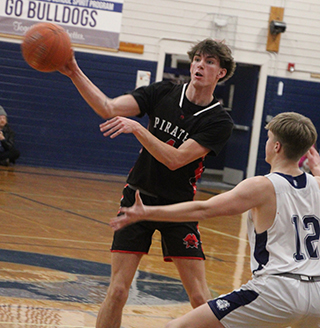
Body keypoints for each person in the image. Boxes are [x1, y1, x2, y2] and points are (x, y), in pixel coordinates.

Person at [59, 38, 236, 328]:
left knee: (199, 298)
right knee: (116, 291)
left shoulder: (218, 121)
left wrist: (139, 130)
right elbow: (108, 107)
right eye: (197, 59)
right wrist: (74, 72)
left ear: (222, 73)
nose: (200, 65)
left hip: (178, 210)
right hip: (137, 199)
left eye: (210, 62)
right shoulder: (163, 91)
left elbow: (176, 159)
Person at [110, 112, 320, 328]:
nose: (266, 143)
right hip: (316, 296)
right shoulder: (317, 184)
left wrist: (147, 212)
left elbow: (203, 209)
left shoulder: (263, 186)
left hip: (278, 290)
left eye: (268, 138)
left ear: (276, 147)